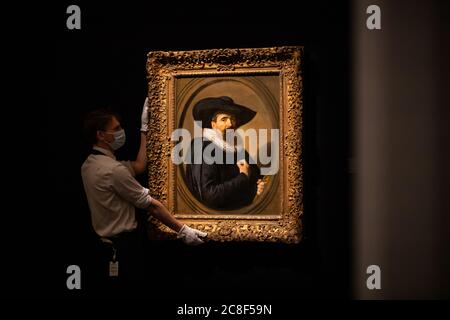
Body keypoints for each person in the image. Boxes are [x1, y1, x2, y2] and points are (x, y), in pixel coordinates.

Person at [81, 98, 207, 293]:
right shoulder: (113, 171)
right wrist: (183, 231)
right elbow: (151, 205)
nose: (120, 131)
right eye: (116, 128)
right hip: (123, 248)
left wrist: (144, 129)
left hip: (106, 245)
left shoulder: (90, 164)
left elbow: (139, 166)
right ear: (100, 135)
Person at [185, 96, 263, 210]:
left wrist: (259, 187)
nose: (230, 124)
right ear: (213, 124)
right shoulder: (202, 148)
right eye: (224, 119)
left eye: (233, 119)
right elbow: (210, 196)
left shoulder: (239, 150)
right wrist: (243, 177)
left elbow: (257, 178)